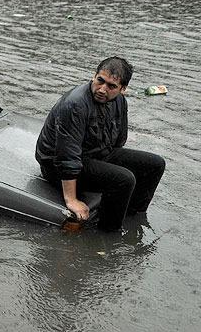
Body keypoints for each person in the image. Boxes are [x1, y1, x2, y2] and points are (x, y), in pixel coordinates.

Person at [35, 57, 166, 231]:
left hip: (95, 154)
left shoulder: (120, 102)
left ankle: (132, 217)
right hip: (56, 167)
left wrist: (109, 169)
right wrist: (71, 200)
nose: (102, 89)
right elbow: (66, 156)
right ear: (93, 76)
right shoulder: (75, 104)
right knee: (124, 180)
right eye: (100, 81)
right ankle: (108, 234)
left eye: (111, 86)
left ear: (123, 89)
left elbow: (119, 141)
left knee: (155, 164)